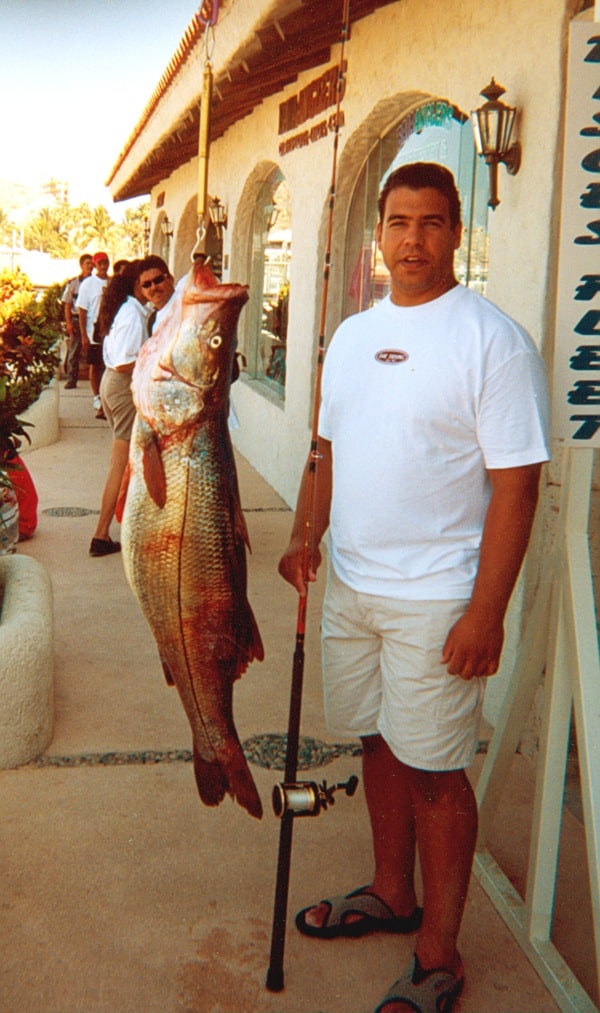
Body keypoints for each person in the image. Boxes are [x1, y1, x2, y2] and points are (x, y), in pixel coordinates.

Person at [278, 162, 551, 1013]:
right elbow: (327, 449)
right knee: (376, 741)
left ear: (458, 233)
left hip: (439, 599)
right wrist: (302, 532)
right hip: (353, 586)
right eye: (398, 222)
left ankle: (439, 956)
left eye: (432, 223)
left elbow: (518, 485)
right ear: (379, 234)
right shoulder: (354, 335)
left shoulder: (492, 341)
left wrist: (487, 610)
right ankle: (392, 893)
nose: (413, 239)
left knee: (436, 769)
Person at [89, 260, 150, 557]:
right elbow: (127, 361)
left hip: (113, 384)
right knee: (119, 465)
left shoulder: (126, 310)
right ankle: (101, 534)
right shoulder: (132, 315)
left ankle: (123, 527)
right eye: (146, 283)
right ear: (135, 285)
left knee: (126, 464)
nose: (151, 288)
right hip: (121, 384)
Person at [76, 252, 110, 418]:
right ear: (96, 265)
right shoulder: (88, 284)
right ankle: (97, 398)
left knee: (108, 367)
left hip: (110, 333)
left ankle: (107, 400)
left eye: (106, 263)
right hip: (94, 333)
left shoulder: (113, 282)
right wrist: (84, 335)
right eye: (100, 263)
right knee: (95, 366)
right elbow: (82, 310)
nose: (104, 267)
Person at [61, 253, 94, 389]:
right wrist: (68, 323)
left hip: (92, 320)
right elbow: (67, 304)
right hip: (76, 319)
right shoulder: (73, 283)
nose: (90, 266)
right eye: (87, 264)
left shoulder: (95, 282)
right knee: (74, 351)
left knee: (93, 350)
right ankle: (71, 379)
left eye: (92, 264)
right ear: (81, 265)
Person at [138, 256, 175, 335]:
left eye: (158, 280)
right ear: (142, 291)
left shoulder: (186, 303)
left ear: (171, 279)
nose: (154, 287)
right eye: (146, 284)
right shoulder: (152, 321)